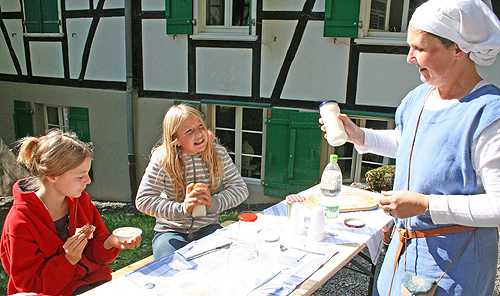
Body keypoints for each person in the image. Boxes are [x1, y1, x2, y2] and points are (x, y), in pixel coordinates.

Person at [321, 0, 500, 295]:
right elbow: (410, 144)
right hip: (403, 253)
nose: (409, 57)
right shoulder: (420, 97)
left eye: (420, 47)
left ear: (458, 49)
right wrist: (359, 135)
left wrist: (427, 205)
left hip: (454, 264)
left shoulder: (488, 114)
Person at [0, 129, 141, 296]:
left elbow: (92, 248)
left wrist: (110, 242)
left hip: (92, 282)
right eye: (80, 176)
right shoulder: (20, 222)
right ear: (53, 176)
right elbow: (30, 286)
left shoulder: (81, 201)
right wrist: (68, 261)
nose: (88, 181)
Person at [135, 104, 249, 260]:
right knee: (169, 266)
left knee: (222, 262)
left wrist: (212, 203)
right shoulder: (163, 159)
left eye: (200, 126)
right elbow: (143, 200)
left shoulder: (218, 154)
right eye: (189, 131)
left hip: (207, 227)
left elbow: (240, 189)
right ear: (175, 139)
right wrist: (183, 209)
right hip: (170, 231)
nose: (198, 133)